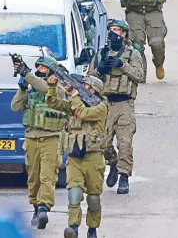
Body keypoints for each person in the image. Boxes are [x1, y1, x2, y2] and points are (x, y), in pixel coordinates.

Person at [45, 75, 108, 238]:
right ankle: (73, 228)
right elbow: (53, 103)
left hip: (93, 158)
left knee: (93, 198)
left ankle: (92, 228)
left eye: (86, 87)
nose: (82, 89)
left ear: (94, 91)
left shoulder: (100, 108)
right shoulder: (74, 104)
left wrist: (74, 96)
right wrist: (52, 87)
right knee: (74, 194)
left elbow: (83, 113)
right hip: (75, 158)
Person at [10, 56, 68, 230]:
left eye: (43, 67)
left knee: (47, 176)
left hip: (51, 138)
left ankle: (44, 208)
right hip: (31, 138)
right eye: (38, 67)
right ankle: (36, 206)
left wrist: (27, 74)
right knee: (33, 178)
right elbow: (15, 107)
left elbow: (45, 88)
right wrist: (21, 88)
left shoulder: (56, 88)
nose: (40, 70)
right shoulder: (31, 88)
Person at [87, 19, 145, 194]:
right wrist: (100, 70)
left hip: (124, 104)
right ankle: (112, 163)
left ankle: (124, 176)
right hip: (104, 104)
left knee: (125, 142)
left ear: (124, 33)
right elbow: (90, 77)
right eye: (111, 30)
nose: (114, 33)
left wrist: (123, 65)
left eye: (117, 30)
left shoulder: (132, 54)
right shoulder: (101, 54)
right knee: (101, 143)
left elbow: (140, 76)